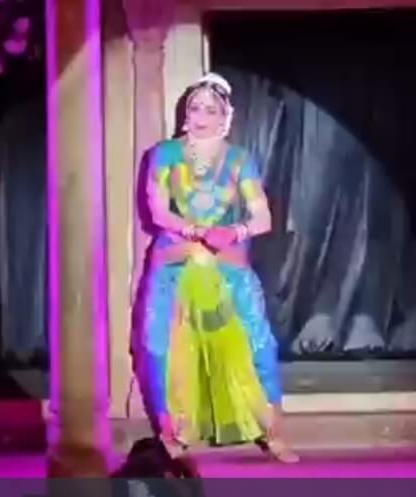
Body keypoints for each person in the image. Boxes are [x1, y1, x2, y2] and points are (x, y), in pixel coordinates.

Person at [133, 72, 299, 463]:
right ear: (185, 113)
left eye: (211, 110)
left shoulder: (239, 160)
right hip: (175, 259)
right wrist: (195, 231)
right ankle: (172, 433)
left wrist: (234, 231)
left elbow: (262, 218)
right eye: (195, 108)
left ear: (225, 116)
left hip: (227, 260)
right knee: (157, 345)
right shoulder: (164, 154)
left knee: (258, 344)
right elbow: (158, 211)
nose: (202, 116)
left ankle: (273, 431)